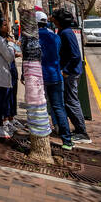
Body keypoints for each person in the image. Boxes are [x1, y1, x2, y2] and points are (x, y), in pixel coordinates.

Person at [53, 9, 92, 144]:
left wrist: (66, 70)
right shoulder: (64, 32)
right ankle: (79, 129)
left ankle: (82, 132)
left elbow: (76, 55)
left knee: (71, 101)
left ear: (59, 21)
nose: (52, 21)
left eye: (55, 18)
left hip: (71, 73)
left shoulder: (66, 33)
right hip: (71, 71)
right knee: (70, 100)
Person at [37, 11, 73, 150]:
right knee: (59, 107)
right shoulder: (55, 36)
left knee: (40, 106)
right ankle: (67, 140)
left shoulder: (33, 38)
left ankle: (42, 132)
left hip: (39, 76)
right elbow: (60, 53)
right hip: (56, 75)